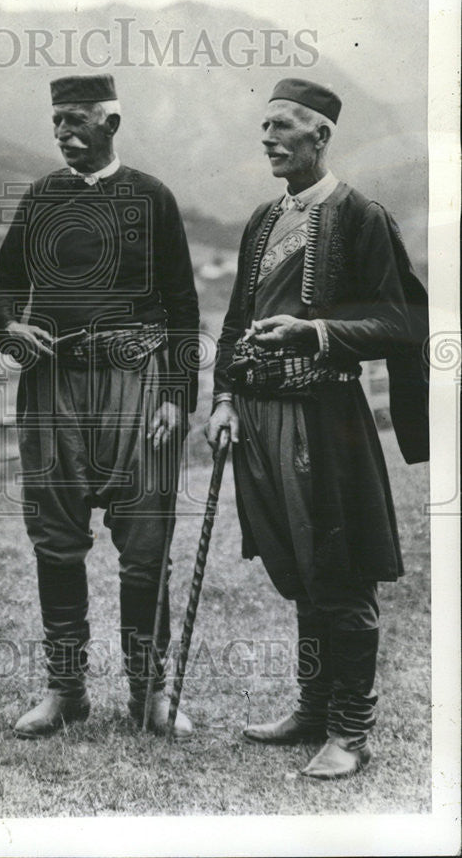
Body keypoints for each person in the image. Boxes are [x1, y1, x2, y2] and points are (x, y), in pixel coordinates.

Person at [205, 78, 428, 779]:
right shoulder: (262, 221)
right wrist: (221, 399)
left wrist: (318, 331)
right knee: (299, 571)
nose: (268, 138)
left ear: (320, 135)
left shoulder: (361, 215)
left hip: (327, 419)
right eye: (263, 126)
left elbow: (401, 322)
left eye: (283, 126)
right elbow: (237, 322)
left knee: (339, 570)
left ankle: (349, 729)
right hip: (261, 417)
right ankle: (311, 706)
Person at [0, 74, 200, 739]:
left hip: (137, 386)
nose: (62, 132)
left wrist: (176, 398)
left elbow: (184, 306)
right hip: (55, 389)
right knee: (56, 542)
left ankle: (150, 693)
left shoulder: (152, 196)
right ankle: (65, 690)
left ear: (111, 122)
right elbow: (0, 290)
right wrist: (7, 330)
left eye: (76, 120)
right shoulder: (42, 198)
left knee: (145, 548)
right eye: (55, 121)